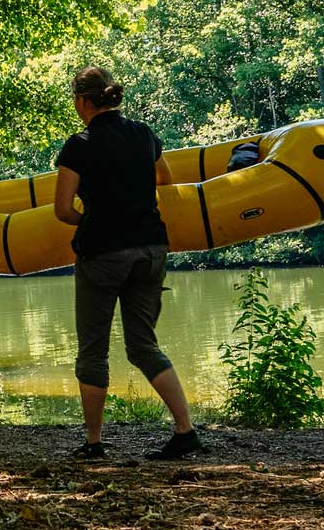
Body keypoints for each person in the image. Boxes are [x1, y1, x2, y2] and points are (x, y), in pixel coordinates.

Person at [53, 66, 201, 460]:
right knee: (142, 345)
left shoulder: (78, 145)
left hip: (102, 253)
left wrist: (92, 216)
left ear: (84, 101)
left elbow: (63, 209)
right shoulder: (143, 134)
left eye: (75, 100)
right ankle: (185, 430)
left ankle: (94, 443)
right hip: (151, 248)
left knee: (93, 350)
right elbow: (165, 181)